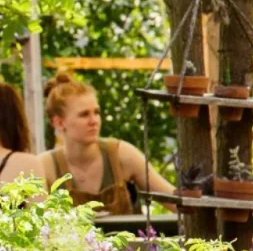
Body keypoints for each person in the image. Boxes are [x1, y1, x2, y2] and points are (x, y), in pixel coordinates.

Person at [38, 75, 172, 213]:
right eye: (84, 114)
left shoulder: (121, 153)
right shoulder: (44, 166)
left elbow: (174, 200)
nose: (94, 120)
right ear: (59, 123)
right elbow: (33, 224)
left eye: (96, 112)